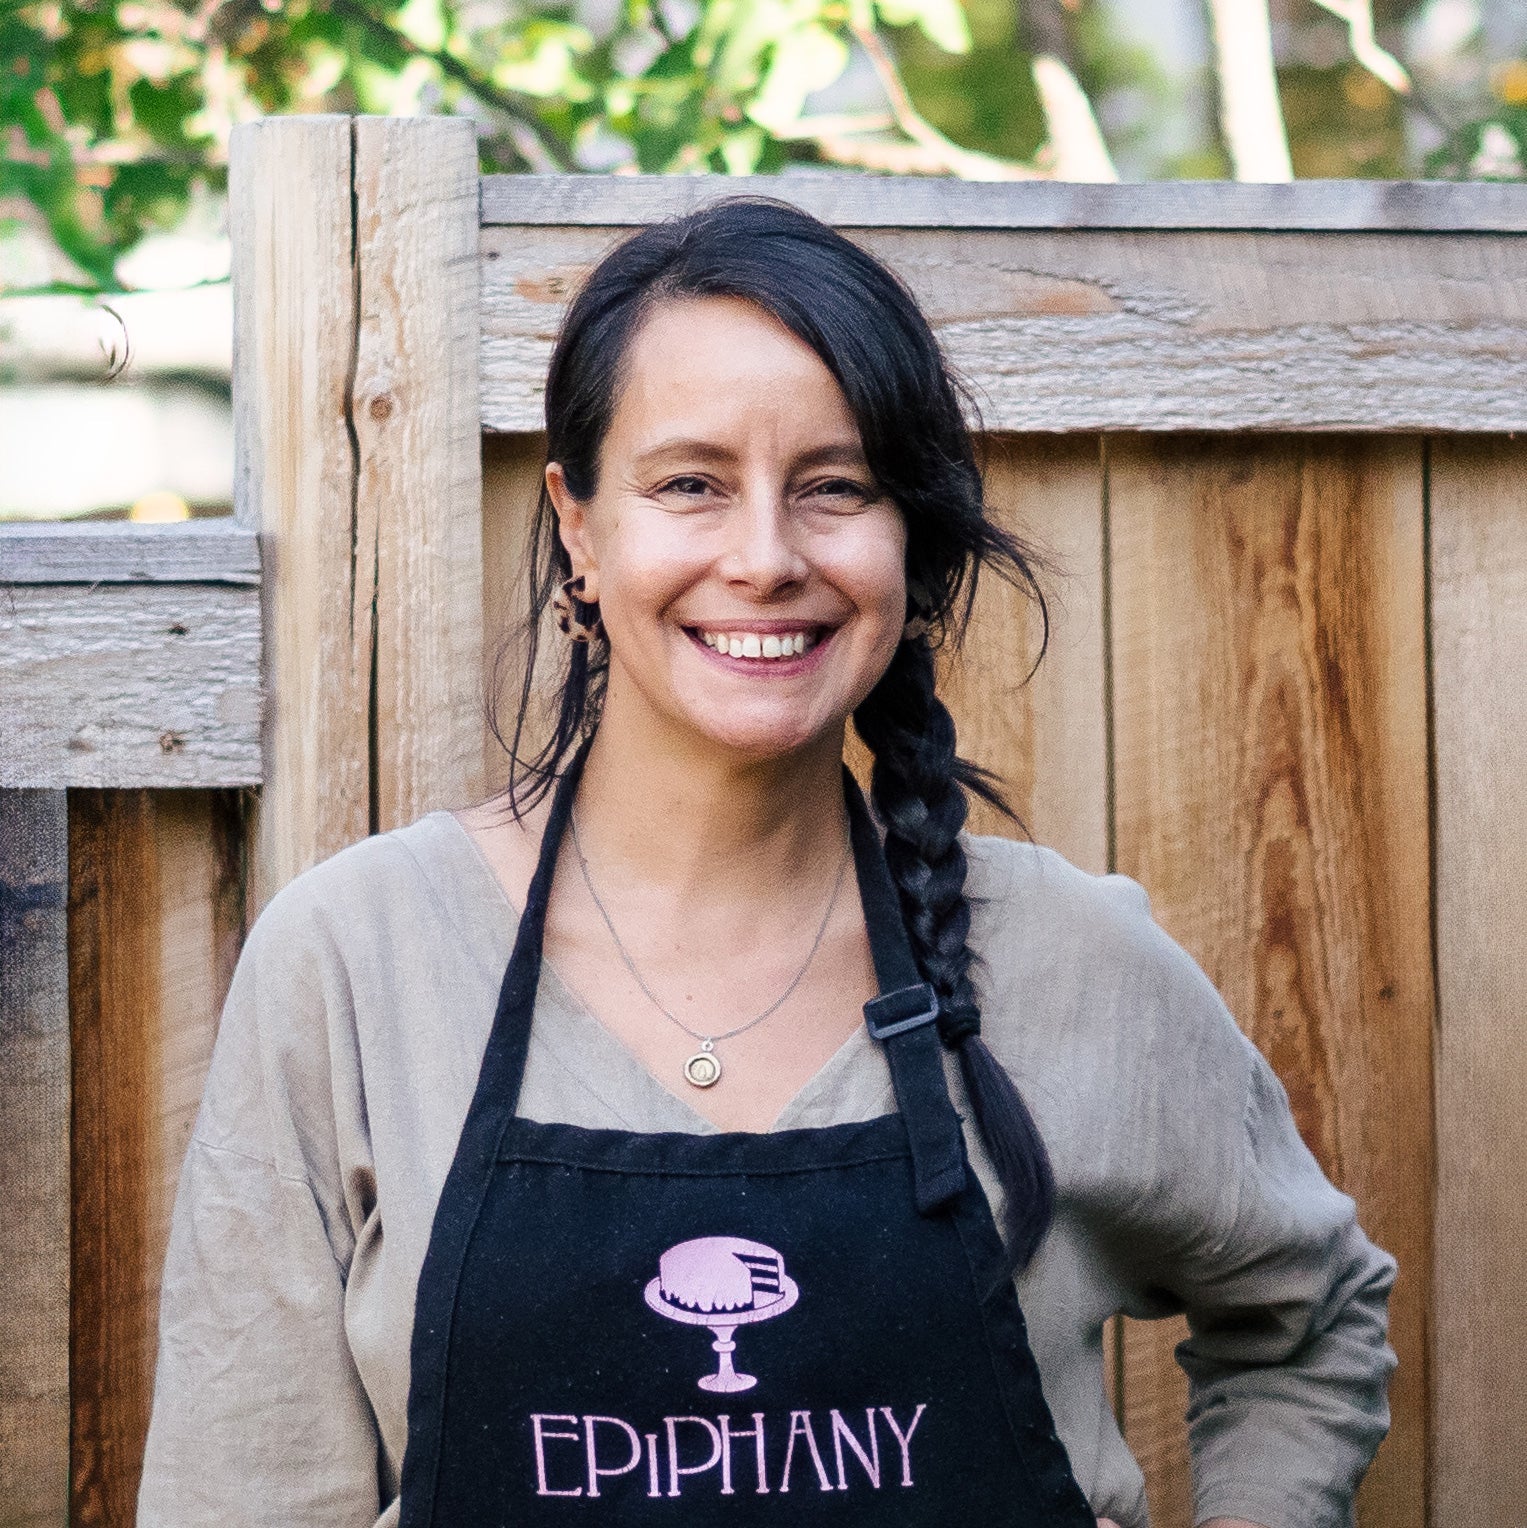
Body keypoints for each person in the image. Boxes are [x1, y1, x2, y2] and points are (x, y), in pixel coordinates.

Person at [137, 198, 1397, 1528]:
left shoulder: (1073, 963)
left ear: (907, 542)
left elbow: (1310, 1319)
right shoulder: (356, 959)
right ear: (578, 526)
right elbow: (244, 1488)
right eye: (690, 484)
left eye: (834, 488)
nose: (765, 557)